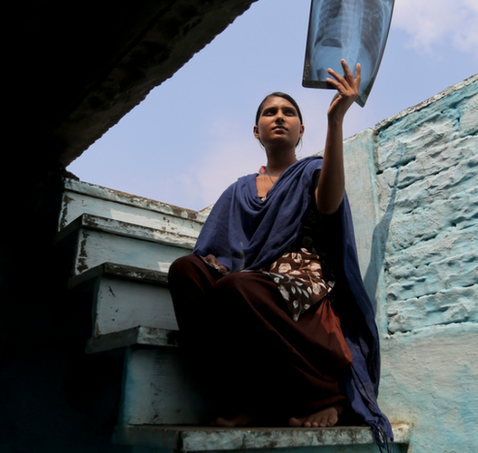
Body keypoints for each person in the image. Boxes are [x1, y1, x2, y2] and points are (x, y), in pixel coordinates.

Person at [168, 60, 393, 450]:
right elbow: (214, 251)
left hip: (299, 286)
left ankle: (326, 395)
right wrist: (213, 270)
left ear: (301, 130)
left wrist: (336, 122)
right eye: (269, 112)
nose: (279, 117)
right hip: (246, 284)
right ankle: (247, 401)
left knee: (237, 287)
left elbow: (329, 203)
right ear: (256, 130)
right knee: (185, 271)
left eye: (288, 112)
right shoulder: (239, 190)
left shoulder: (312, 171)